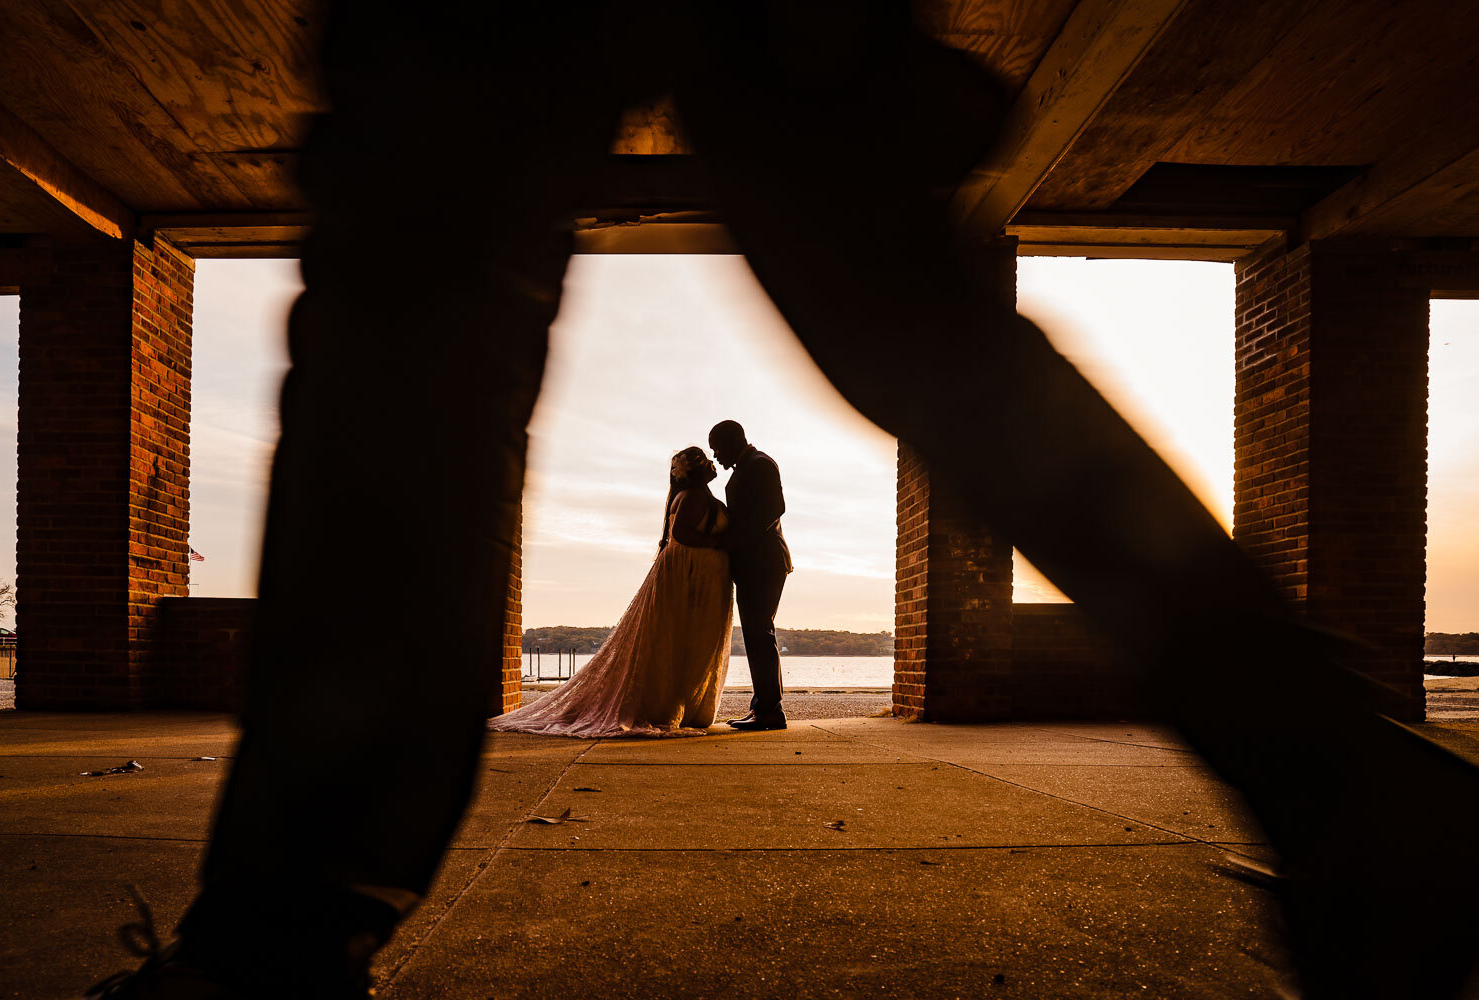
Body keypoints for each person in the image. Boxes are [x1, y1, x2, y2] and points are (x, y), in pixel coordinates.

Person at [88, 3, 1479, 999]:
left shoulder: (734, 477)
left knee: (426, 297)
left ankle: (289, 924)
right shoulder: (728, 473)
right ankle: (1337, 776)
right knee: (891, 291)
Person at [488, 447, 732, 737]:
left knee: (690, 640)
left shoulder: (700, 498)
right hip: (688, 572)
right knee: (675, 638)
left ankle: (684, 705)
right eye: (705, 462)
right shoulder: (691, 497)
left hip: (704, 575)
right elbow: (682, 534)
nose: (712, 465)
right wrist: (720, 542)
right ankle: (668, 706)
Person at [708, 421, 793, 731]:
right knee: (757, 634)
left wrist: (731, 541)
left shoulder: (760, 465)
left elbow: (774, 509)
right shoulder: (747, 467)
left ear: (733, 441)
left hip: (764, 562)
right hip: (754, 563)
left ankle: (770, 711)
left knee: (760, 633)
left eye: (717, 448)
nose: (715, 456)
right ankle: (764, 707)